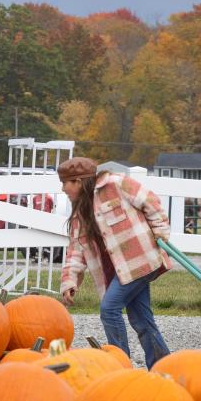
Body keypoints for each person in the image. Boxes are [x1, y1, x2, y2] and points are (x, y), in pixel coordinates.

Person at [58, 157, 172, 367]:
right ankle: (164, 367)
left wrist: (160, 232)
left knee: (109, 309)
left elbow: (151, 201)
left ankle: (119, 367)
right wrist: (69, 281)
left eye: (65, 182)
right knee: (142, 320)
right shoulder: (79, 214)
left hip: (140, 262)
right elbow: (75, 250)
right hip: (118, 272)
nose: (63, 188)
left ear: (79, 181)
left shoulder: (115, 184)